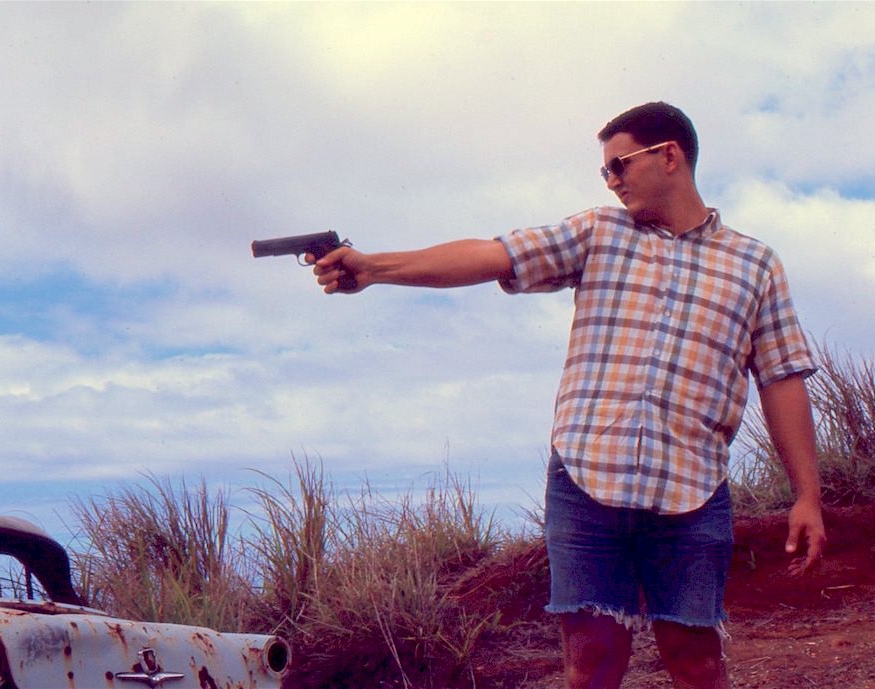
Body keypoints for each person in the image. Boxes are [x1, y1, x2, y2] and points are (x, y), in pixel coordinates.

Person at [309, 102, 827, 689]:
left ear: (669, 156)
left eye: (618, 165)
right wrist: (375, 266)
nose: (610, 181)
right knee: (592, 665)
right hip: (587, 483)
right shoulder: (599, 233)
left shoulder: (755, 265)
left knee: (698, 665)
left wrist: (806, 494)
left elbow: (781, 379)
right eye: (605, 172)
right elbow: (491, 254)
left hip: (694, 491)